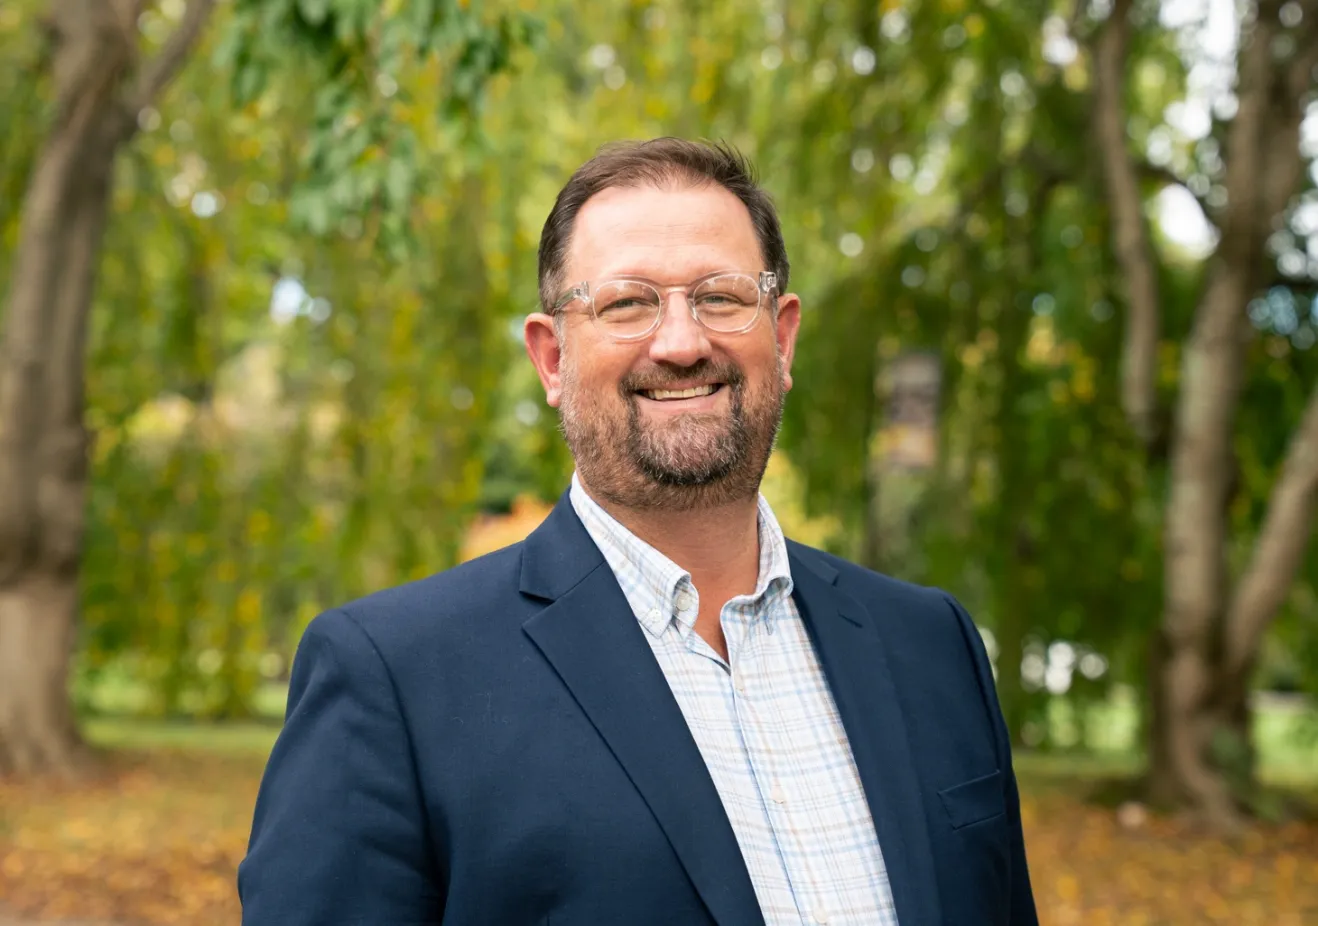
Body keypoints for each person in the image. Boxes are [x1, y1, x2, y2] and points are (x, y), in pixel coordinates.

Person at [237, 137, 1038, 926]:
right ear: (551, 359)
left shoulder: (932, 646)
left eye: (721, 296)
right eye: (627, 303)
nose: (683, 343)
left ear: (782, 337)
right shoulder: (394, 681)